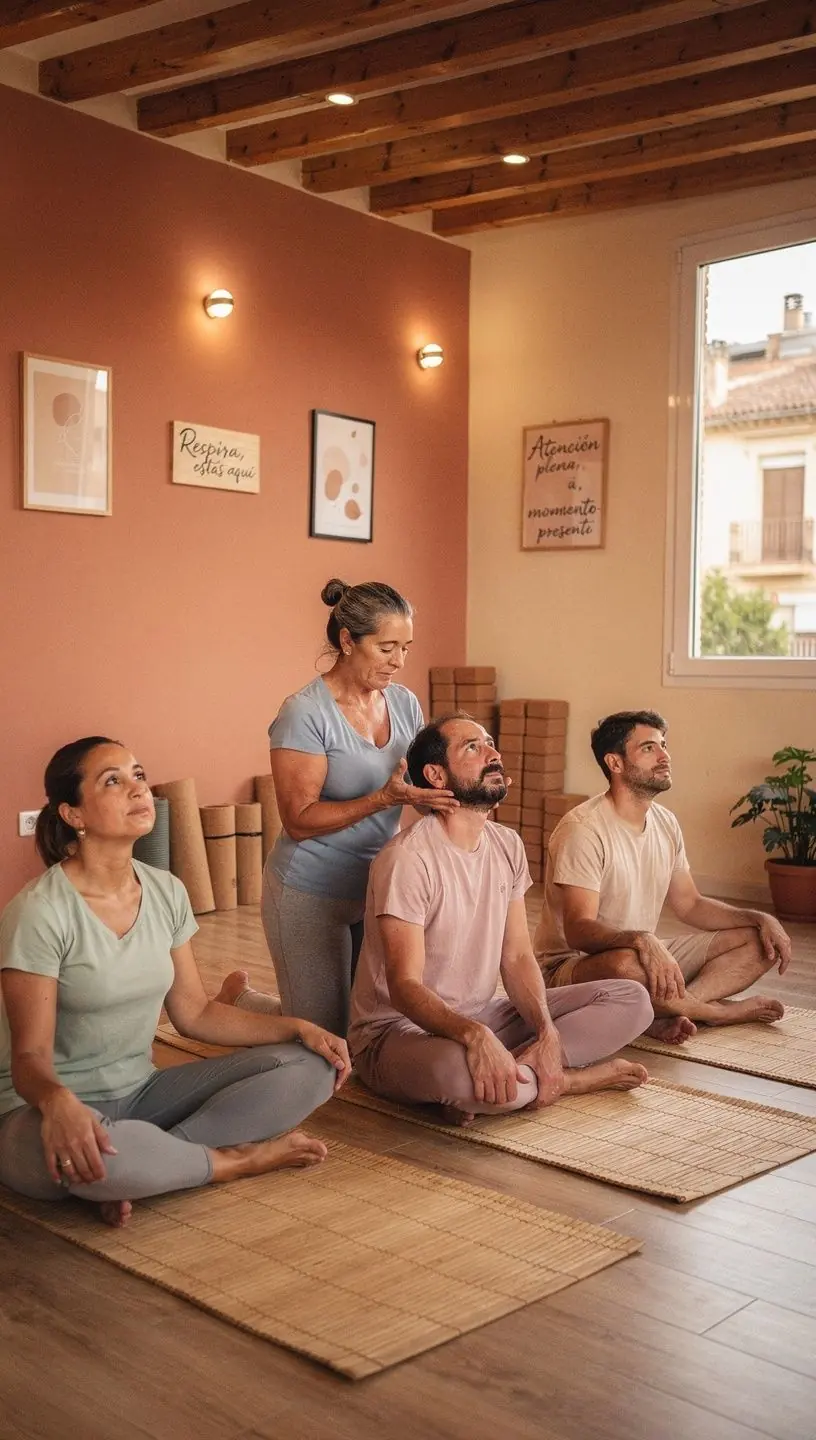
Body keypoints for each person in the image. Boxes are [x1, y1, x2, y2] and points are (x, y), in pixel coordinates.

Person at [0, 737, 351, 1229]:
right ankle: (231, 1162)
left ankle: (152, 1168)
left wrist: (297, 1027)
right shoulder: (39, 912)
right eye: (113, 781)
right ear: (73, 814)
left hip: (142, 1095)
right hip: (39, 1112)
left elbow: (194, 1013)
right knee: (104, 1159)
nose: (137, 789)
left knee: (314, 1064)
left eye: (138, 775)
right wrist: (60, 1105)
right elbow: (28, 1061)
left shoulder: (165, 891)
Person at [348, 715, 652, 1121]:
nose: (494, 755)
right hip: (398, 1032)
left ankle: (522, 1073)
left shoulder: (506, 844)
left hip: (483, 1014)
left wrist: (546, 1032)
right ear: (436, 775)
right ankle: (569, 1080)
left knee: (631, 999)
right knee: (458, 1075)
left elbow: (517, 958)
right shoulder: (406, 859)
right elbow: (404, 987)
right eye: (472, 748)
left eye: (489, 744)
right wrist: (473, 1036)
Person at [263, 578, 457, 1036]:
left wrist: (462, 796)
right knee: (323, 1038)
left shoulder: (404, 703)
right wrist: (382, 800)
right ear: (348, 641)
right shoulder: (304, 714)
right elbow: (299, 820)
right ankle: (240, 1006)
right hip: (310, 889)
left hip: (377, 887)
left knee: (369, 1027)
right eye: (387, 647)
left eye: (406, 647)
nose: (399, 661)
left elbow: (418, 782)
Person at [534, 710, 792, 1043]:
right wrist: (643, 940)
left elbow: (690, 904)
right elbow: (578, 931)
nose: (664, 756)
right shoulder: (582, 829)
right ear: (615, 763)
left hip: (643, 955)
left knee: (761, 943)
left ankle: (677, 1008)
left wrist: (758, 918)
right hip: (572, 967)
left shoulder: (665, 822)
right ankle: (715, 1012)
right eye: (649, 748)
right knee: (627, 965)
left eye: (664, 745)